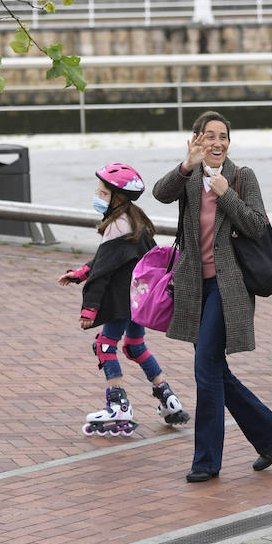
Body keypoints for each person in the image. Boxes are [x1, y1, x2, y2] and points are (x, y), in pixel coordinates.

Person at [153, 111, 272, 483]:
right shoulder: (190, 175)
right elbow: (159, 194)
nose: (217, 143)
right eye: (209, 136)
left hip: (229, 289)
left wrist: (225, 192)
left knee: (204, 369)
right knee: (215, 370)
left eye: (223, 137)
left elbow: (257, 224)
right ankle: (268, 431)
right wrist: (186, 165)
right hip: (196, 287)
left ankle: (207, 462)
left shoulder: (242, 176)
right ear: (197, 139)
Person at [59, 163, 190, 436]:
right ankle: (168, 399)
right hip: (138, 300)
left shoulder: (116, 225)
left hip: (121, 301)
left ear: (118, 197)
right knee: (134, 345)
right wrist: (81, 273)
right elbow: (104, 260)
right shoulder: (136, 219)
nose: (98, 196)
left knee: (106, 346)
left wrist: (89, 310)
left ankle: (118, 404)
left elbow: (104, 271)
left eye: (103, 192)